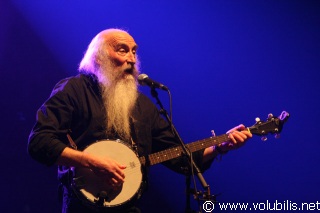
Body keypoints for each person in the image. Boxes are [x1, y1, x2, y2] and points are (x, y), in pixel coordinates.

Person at [28, 28, 252, 213]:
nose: (132, 59)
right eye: (123, 50)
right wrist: (90, 161)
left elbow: (180, 156)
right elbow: (39, 142)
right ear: (98, 56)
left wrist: (220, 146)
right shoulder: (74, 90)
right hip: (82, 206)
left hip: (130, 207)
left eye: (134, 52)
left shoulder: (144, 106)